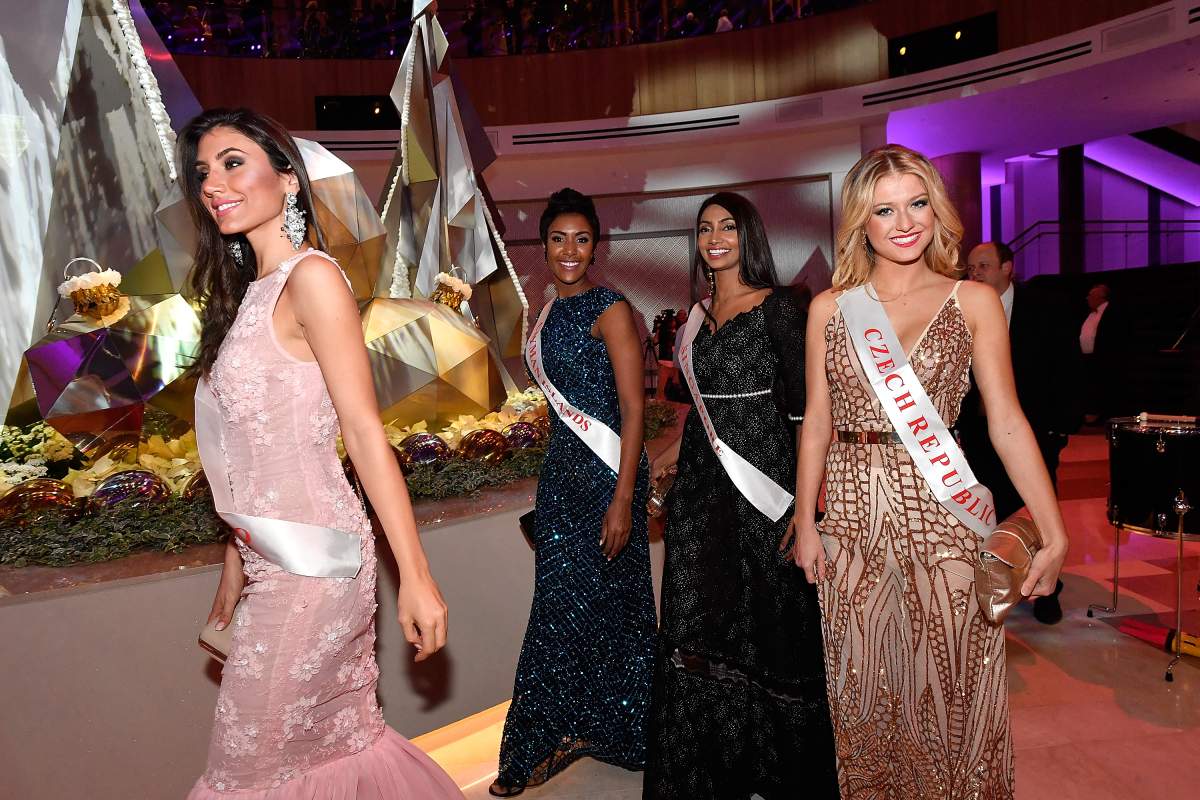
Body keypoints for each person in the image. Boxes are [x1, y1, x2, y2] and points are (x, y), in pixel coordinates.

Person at [181, 108, 462, 799]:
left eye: (233, 163)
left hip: (317, 563)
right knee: (323, 751)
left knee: (248, 768)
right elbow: (249, 452)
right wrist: (235, 565)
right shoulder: (248, 296)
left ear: (288, 179)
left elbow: (363, 433)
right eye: (203, 172)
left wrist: (416, 575)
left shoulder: (312, 278)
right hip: (270, 559)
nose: (213, 183)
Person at [793, 145, 1069, 798]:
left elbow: (1007, 422)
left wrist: (1054, 530)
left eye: (917, 203)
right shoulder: (830, 308)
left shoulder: (973, 300)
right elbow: (816, 422)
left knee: (956, 693)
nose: (905, 222)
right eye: (884, 210)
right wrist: (805, 521)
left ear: (936, 209)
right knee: (866, 694)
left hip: (945, 521)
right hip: (853, 525)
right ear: (861, 222)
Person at [644, 192, 838, 799]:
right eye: (705, 229)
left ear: (748, 234)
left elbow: (808, 415)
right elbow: (701, 414)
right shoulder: (695, 318)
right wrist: (668, 461)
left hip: (767, 491)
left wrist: (806, 507)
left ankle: (778, 770)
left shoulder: (781, 309)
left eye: (728, 226)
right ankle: (712, 770)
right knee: (703, 624)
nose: (715, 238)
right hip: (702, 498)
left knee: (772, 626)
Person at [490, 188, 657, 797]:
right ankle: (548, 740)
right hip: (563, 477)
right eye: (559, 239)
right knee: (559, 609)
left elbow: (634, 410)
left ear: (595, 246)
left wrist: (623, 498)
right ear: (543, 245)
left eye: (581, 239)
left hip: (610, 478)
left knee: (618, 608)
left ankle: (625, 732)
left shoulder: (610, 308)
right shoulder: (544, 313)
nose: (570, 250)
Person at [963, 240, 1082, 624]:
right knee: (987, 508)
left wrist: (1061, 426)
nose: (975, 273)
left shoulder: (1044, 308)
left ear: (1007, 267)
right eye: (971, 268)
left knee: (1036, 507)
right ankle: (995, 582)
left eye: (983, 266)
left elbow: (1066, 367)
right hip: (978, 432)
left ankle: (1047, 587)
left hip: (1033, 430)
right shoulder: (961, 307)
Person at [653, 310, 678, 401]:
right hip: (665, 362)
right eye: (672, 320)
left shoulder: (678, 331)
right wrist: (658, 329)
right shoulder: (663, 332)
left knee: (672, 388)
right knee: (661, 389)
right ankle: (660, 404)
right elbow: (655, 341)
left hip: (674, 364)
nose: (673, 322)